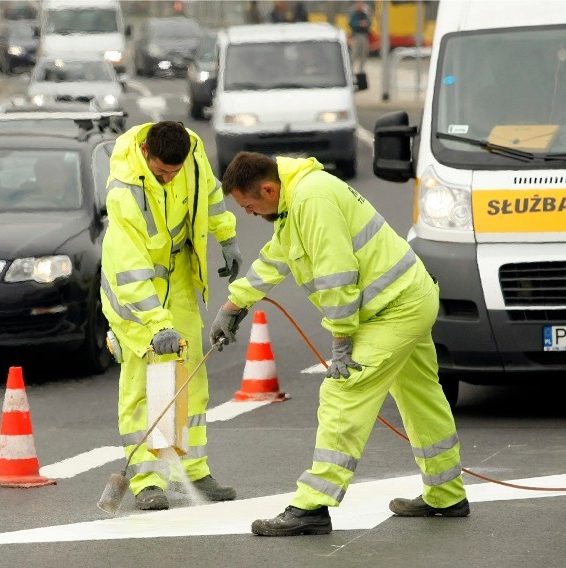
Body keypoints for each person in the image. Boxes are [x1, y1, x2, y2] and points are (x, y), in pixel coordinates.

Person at [211, 151, 469, 537]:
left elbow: (337, 275)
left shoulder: (311, 199)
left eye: (249, 205)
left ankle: (312, 505)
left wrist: (341, 341)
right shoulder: (295, 198)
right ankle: (447, 494)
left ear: (268, 188)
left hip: (394, 309)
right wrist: (235, 303)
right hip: (407, 299)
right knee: (421, 397)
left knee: (342, 392)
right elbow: (276, 257)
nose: (248, 213)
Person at [101, 121, 243, 511]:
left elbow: (211, 195)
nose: (168, 179)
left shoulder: (192, 153)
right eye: (162, 172)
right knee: (144, 385)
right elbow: (130, 269)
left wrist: (226, 236)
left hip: (177, 277)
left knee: (189, 376)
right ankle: (148, 480)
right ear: (146, 151)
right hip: (133, 294)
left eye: (174, 173)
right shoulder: (124, 189)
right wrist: (158, 324)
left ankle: (194, 468)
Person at [348, 1, 372, 74]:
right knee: (354, 54)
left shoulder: (365, 14)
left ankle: (361, 70)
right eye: (359, 5)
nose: (361, 6)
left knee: (364, 54)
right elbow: (351, 23)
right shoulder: (354, 14)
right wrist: (359, 24)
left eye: (362, 5)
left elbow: (369, 23)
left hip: (364, 36)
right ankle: (350, 70)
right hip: (356, 36)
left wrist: (366, 23)